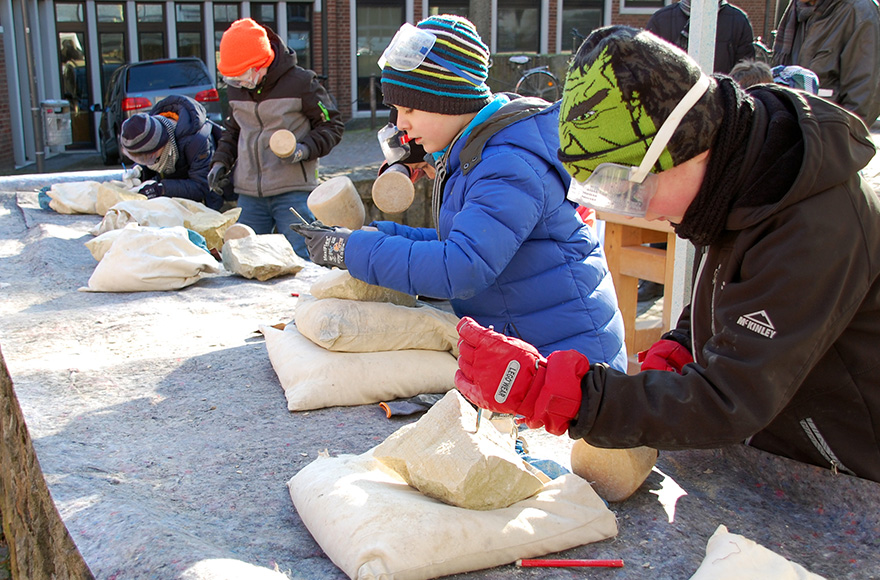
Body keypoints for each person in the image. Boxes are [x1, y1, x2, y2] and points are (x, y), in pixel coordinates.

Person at [455, 25, 880, 483]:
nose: (642, 212)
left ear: (684, 149)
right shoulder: (744, 176)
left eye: (634, 190)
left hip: (847, 471)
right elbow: (737, 296)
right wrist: (683, 346)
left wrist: (557, 394)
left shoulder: (813, 225)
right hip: (777, 458)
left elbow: (731, 399)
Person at [292, 15, 628, 370]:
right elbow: (457, 242)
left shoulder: (506, 164)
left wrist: (351, 250)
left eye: (409, 108)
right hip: (535, 350)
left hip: (574, 365)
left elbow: (461, 267)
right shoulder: (474, 154)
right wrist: (376, 235)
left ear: (449, 101)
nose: (401, 124)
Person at [643, 0, 756, 301]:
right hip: (674, 140)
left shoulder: (735, 20)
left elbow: (747, 72)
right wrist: (679, 342)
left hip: (715, 137)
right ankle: (655, 280)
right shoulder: (663, 19)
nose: (650, 213)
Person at [209, 18, 344, 258]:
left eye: (243, 76)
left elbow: (332, 125)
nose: (239, 83)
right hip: (250, 192)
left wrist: (303, 149)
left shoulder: (301, 83)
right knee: (244, 257)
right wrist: (220, 162)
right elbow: (233, 130)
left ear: (262, 63)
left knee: (304, 256)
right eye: (233, 79)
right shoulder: (237, 89)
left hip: (293, 190)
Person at [772, 0, 880, 126]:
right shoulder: (797, 8)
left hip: (827, 132)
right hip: (793, 127)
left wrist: (839, 136)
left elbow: (863, 96)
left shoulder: (858, 11)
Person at [120, 95, 228, 211]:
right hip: (178, 205)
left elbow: (202, 185)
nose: (147, 162)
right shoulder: (148, 131)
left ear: (161, 143)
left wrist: (162, 189)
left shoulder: (198, 140)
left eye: (148, 157)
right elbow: (152, 161)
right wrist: (139, 171)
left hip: (212, 203)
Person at [645, 0, 755, 75]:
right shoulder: (660, 20)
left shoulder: (738, 21)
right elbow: (648, 68)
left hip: (719, 103)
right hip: (674, 104)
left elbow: (743, 74)